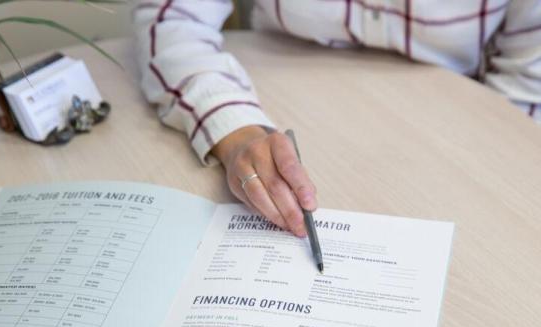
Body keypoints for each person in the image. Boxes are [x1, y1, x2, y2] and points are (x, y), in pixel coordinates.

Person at [133, 1, 541, 237]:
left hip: (460, 149)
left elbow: (528, 82)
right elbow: (173, 18)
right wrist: (233, 128)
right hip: (274, 102)